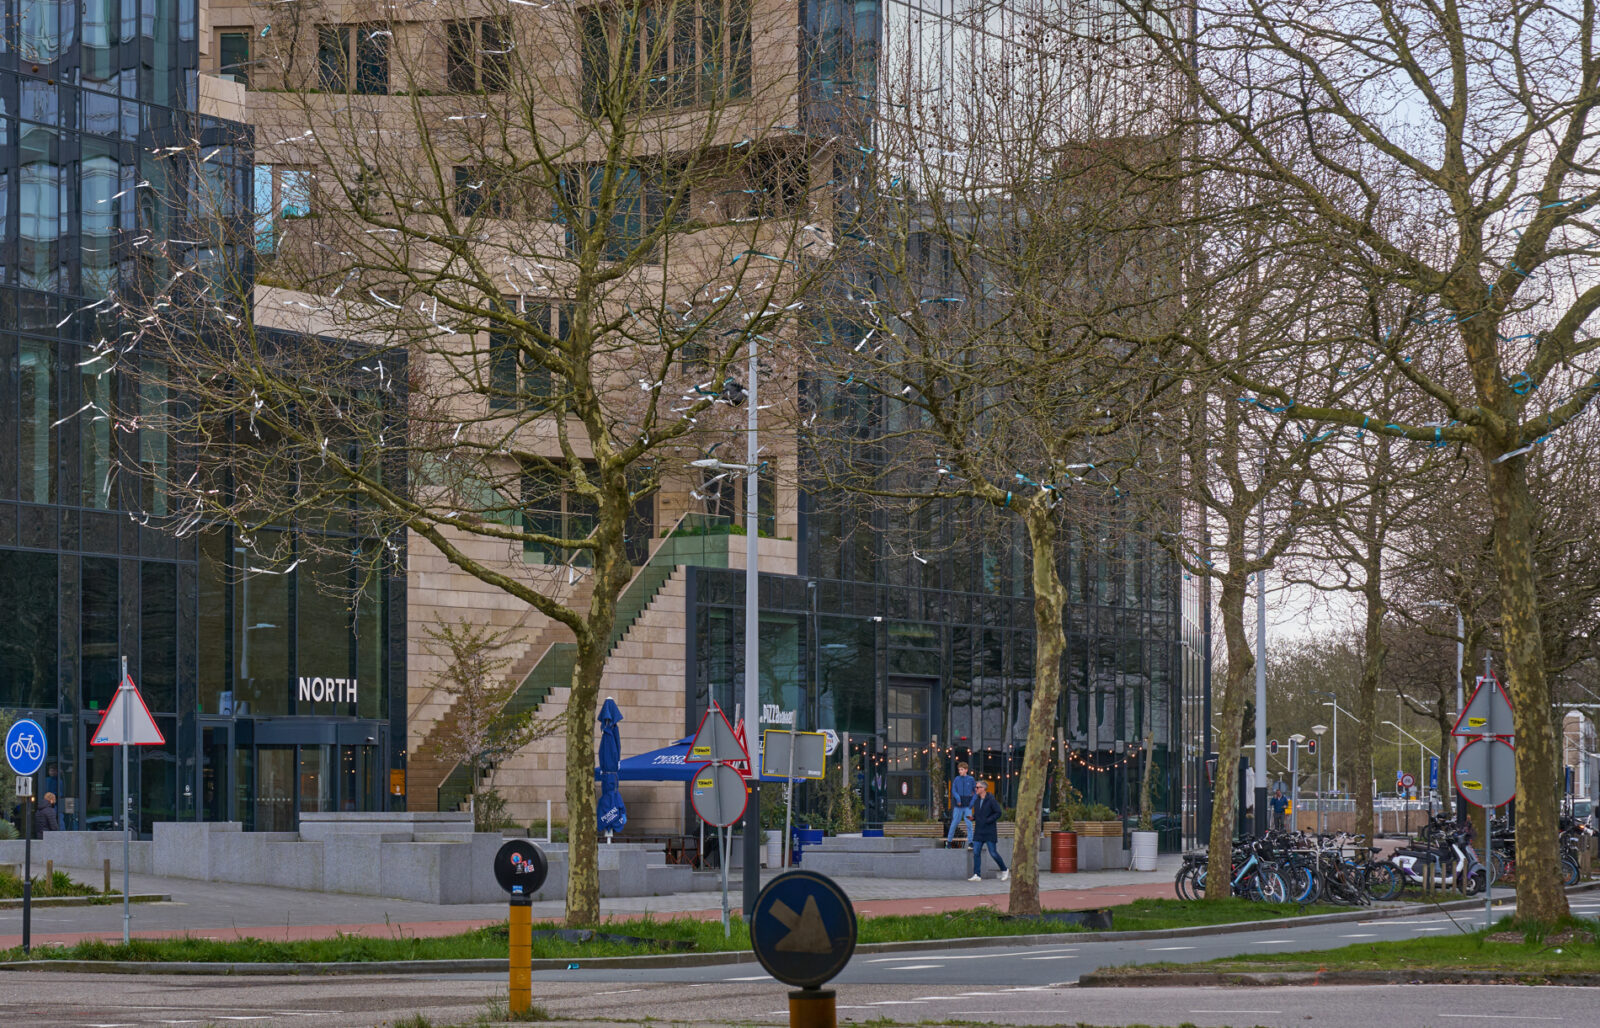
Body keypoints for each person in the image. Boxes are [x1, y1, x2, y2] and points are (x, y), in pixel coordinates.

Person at [966, 780, 1008, 882]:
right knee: (976, 852)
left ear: (983, 789)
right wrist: (973, 818)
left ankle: (1004, 869)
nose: (976, 789)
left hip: (989, 831)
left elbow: (998, 813)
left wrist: (988, 820)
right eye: (976, 787)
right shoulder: (976, 800)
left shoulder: (991, 800)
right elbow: (978, 813)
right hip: (979, 831)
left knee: (993, 853)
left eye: (977, 787)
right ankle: (977, 874)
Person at [946, 762, 975, 848]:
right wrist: (958, 798)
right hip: (958, 806)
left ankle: (970, 842)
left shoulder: (971, 779)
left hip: (967, 806)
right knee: (954, 823)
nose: (960, 771)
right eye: (959, 770)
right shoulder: (956, 779)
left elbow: (975, 792)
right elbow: (953, 790)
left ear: (966, 770)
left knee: (969, 824)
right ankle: (949, 842)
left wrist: (972, 802)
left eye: (961, 769)